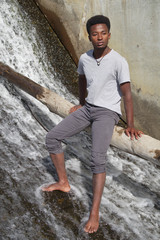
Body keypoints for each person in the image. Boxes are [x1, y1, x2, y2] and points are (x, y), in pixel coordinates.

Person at [42, 15, 143, 234]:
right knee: (52, 137)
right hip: (88, 108)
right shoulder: (84, 58)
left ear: (109, 34)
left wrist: (131, 124)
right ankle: (63, 182)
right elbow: (81, 80)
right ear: (89, 36)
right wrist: (80, 103)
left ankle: (94, 212)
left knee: (97, 160)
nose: (99, 37)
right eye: (95, 34)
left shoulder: (119, 61)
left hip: (107, 113)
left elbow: (127, 95)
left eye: (103, 33)